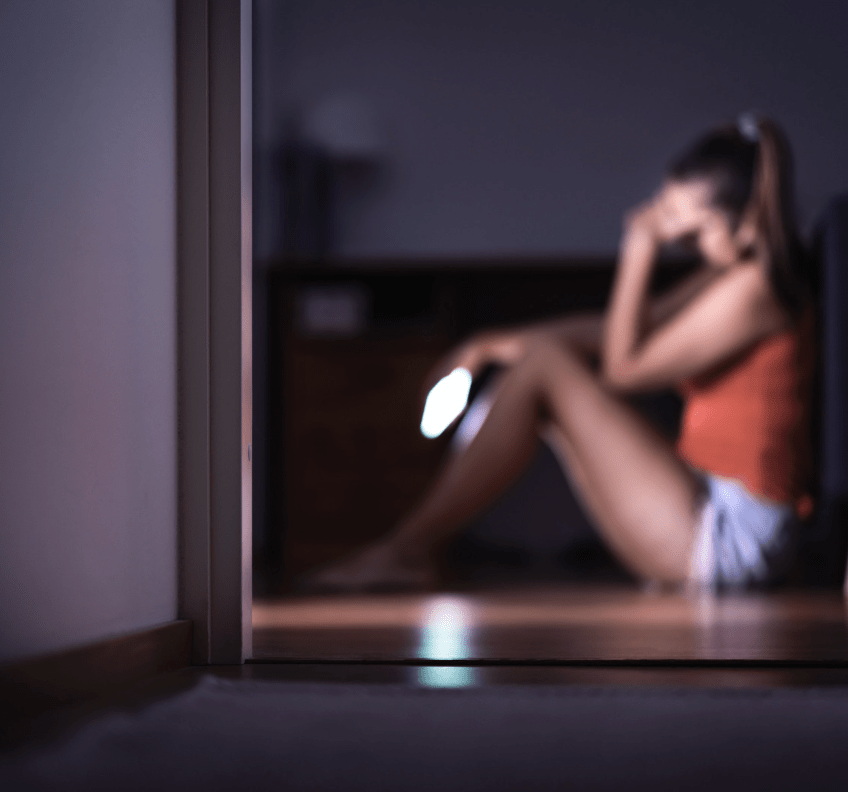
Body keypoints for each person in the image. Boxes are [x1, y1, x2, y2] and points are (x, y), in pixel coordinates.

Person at [303, 113, 814, 593]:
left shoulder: (758, 290)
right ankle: (407, 548)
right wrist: (485, 345)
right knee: (543, 366)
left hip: (732, 542)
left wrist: (638, 247)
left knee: (546, 367)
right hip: (707, 504)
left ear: (746, 224)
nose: (685, 243)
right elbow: (627, 327)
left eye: (696, 231)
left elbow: (623, 366)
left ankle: (405, 549)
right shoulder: (733, 274)